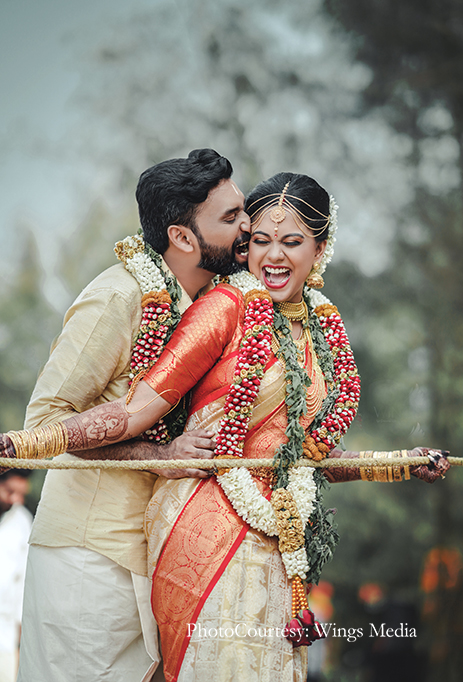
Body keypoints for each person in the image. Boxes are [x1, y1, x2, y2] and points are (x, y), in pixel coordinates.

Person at [1, 172, 448, 681]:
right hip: (203, 529)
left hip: (275, 541)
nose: (271, 254)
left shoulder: (323, 326)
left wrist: (400, 464)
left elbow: (303, 459)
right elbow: (133, 412)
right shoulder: (224, 306)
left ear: (321, 248)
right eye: (258, 238)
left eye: (292, 242)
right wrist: (22, 442)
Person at [8, 148, 250, 682]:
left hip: (160, 552)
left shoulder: (217, 304)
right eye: (230, 217)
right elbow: (45, 421)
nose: (248, 227)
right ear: (183, 238)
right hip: (89, 556)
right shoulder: (117, 299)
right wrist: (159, 456)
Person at [0, 470, 32, 682]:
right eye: (10, 491)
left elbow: (24, 579)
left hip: (5, 632)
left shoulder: (22, 521)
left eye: (21, 494)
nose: (16, 500)